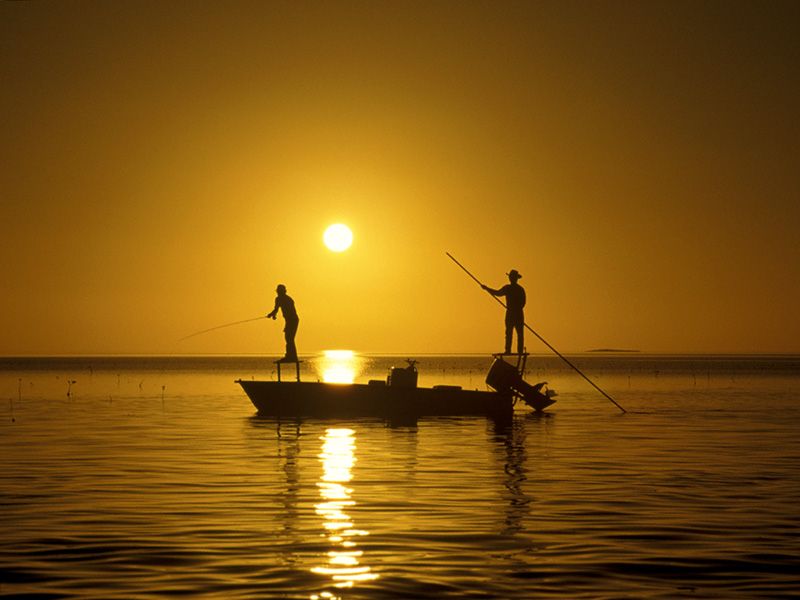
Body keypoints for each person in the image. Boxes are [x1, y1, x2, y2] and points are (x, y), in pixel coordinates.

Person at [482, 269, 526, 355]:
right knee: (512, 333)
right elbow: (498, 293)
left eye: (512, 277)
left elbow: (498, 293)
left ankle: (513, 350)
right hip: (515, 313)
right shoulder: (515, 289)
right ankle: (510, 350)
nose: (511, 279)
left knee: (516, 333)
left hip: (514, 313)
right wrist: (487, 289)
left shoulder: (513, 289)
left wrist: (487, 288)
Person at [267, 284, 299, 362]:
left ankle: (291, 356)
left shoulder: (287, 299)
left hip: (292, 320)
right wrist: (273, 315)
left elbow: (288, 311)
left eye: (279, 291)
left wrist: (271, 314)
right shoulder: (279, 299)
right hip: (289, 320)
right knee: (288, 338)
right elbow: (276, 309)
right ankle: (291, 356)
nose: (278, 293)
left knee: (289, 338)